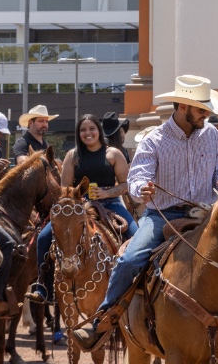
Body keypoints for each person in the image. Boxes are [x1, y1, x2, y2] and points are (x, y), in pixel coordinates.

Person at [69, 75, 218, 349]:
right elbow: (137, 177)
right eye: (201, 109)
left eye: (206, 109)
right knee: (130, 259)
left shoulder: (211, 137)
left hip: (207, 214)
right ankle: (104, 320)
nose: (207, 114)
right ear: (183, 107)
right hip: (162, 215)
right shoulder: (154, 139)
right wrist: (140, 190)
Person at [26, 114, 136, 306]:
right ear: (79, 134)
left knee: (136, 235)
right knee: (43, 238)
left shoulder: (113, 154)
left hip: (111, 204)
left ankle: (138, 284)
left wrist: (107, 192)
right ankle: (43, 285)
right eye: (83, 130)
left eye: (92, 128)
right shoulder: (73, 155)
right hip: (77, 208)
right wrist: (77, 197)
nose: (88, 133)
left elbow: (126, 184)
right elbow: (64, 188)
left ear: (99, 131)